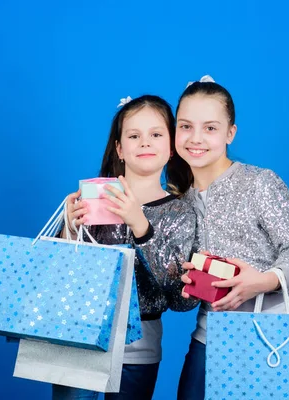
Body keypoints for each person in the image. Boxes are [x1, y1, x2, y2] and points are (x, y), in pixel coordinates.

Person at [174, 76, 289, 400]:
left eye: (210, 128)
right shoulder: (180, 201)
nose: (196, 138)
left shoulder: (259, 183)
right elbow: (182, 295)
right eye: (185, 126)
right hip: (208, 339)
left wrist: (263, 281)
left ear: (230, 133)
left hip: (270, 338)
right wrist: (185, 281)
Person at [55, 95, 198, 400]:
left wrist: (141, 226)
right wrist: (68, 227)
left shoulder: (180, 211)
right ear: (120, 148)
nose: (145, 142)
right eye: (134, 136)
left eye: (156, 134)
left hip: (139, 346)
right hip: (80, 333)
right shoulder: (93, 198)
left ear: (171, 147)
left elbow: (177, 295)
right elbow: (62, 272)